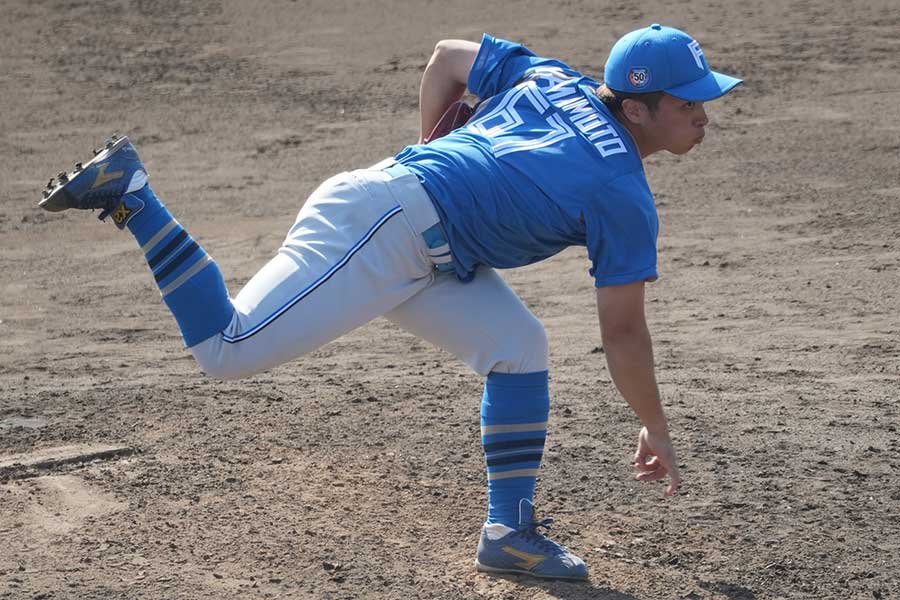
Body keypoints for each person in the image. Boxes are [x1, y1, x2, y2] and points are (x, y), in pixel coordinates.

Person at [39, 24, 741, 580]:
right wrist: (657, 428)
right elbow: (623, 336)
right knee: (227, 349)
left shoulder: (555, 77)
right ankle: (136, 196)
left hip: (415, 236)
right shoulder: (622, 193)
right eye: (688, 104)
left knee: (519, 346)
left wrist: (431, 147)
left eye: (704, 99)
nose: (704, 116)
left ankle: (509, 535)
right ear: (639, 108)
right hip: (380, 229)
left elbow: (446, 57)